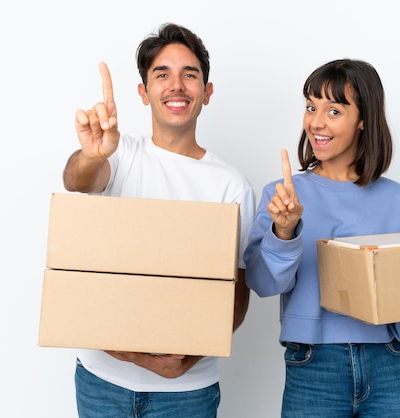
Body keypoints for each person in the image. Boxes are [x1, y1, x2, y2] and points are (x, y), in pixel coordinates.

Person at [243, 58, 400, 418]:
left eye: (334, 110)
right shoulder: (283, 195)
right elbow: (261, 282)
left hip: (392, 366)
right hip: (314, 368)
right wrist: (283, 231)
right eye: (310, 107)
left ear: (363, 119)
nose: (316, 121)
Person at [62, 23, 256, 418]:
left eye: (190, 74)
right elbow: (77, 181)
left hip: (187, 391)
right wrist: (94, 154)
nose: (176, 86)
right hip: (102, 381)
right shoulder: (119, 155)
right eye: (161, 74)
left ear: (207, 91)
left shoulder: (232, 185)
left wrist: (187, 359)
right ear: (143, 92)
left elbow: (236, 290)